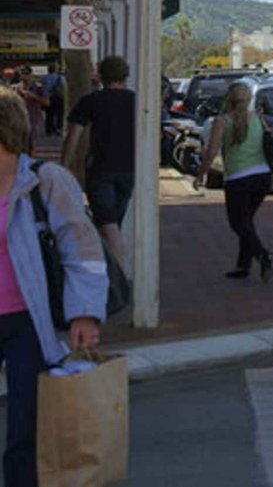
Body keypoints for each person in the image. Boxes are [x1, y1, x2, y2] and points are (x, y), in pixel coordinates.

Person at [0, 87, 108, 487]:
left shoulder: (46, 182)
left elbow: (82, 250)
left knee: (26, 431)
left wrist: (85, 312)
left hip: (27, 323)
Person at [59, 55, 135, 264]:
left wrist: (64, 166)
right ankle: (110, 269)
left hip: (100, 169)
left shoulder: (91, 101)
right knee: (112, 224)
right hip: (129, 170)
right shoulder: (136, 101)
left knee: (107, 224)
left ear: (101, 76)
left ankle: (118, 275)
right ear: (125, 75)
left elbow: (73, 137)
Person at [196, 82, 273, 280]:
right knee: (247, 221)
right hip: (262, 175)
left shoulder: (222, 121)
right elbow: (267, 146)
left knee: (238, 223)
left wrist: (201, 174)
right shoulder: (258, 118)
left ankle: (262, 254)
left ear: (228, 98)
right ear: (249, 99)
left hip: (238, 177)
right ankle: (243, 265)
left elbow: (211, 152)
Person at [12, 70, 46, 156]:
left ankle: (30, 159)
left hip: (33, 118)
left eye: (27, 74)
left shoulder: (38, 87)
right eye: (23, 74)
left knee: (32, 142)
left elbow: (47, 102)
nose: (25, 77)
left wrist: (34, 96)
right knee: (19, 142)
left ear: (31, 75)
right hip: (18, 118)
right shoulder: (15, 88)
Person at [39, 64, 64, 137]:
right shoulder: (60, 77)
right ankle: (59, 128)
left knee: (49, 114)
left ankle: (49, 129)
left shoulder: (44, 78)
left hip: (48, 97)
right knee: (59, 114)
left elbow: (42, 87)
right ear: (56, 69)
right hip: (58, 97)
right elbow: (63, 86)